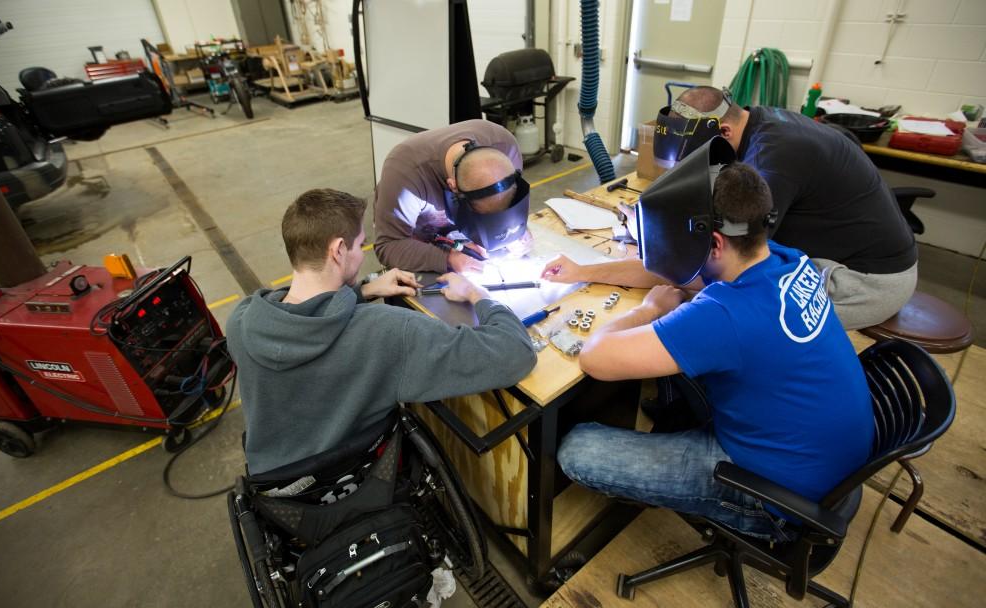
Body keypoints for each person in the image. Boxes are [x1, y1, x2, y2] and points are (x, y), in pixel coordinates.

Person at [556, 144, 874, 542]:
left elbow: (595, 358)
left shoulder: (725, 314)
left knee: (578, 449)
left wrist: (649, 310)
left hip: (776, 497)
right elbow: (678, 272)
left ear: (717, 243)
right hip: (825, 460)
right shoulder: (782, 258)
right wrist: (582, 271)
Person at [544, 86, 917, 330]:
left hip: (866, 281)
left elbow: (702, 267)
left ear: (721, 135)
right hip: (838, 248)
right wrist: (586, 268)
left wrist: (606, 276)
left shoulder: (772, 163)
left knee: (715, 298)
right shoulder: (755, 124)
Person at [227, 188, 537, 476]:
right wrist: (477, 294)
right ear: (337, 250)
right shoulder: (386, 331)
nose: (364, 255)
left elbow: (304, 319)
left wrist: (363, 291)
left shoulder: (242, 322)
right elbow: (515, 354)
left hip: (277, 492)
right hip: (358, 483)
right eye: (360, 245)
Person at [374, 119, 532, 274]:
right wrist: (446, 259)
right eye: (481, 212)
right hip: (421, 240)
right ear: (453, 186)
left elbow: (503, 205)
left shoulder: (506, 146)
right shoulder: (405, 177)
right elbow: (389, 246)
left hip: (461, 239)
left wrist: (514, 229)